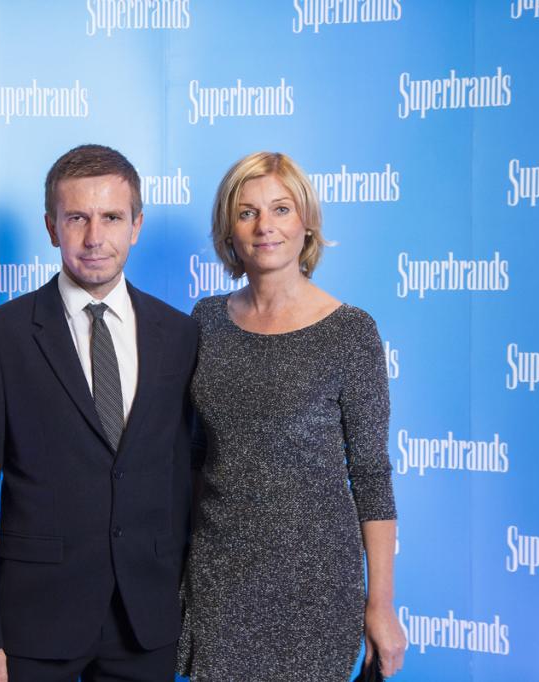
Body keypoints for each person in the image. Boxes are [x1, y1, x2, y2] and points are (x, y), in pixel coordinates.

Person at [0, 144, 198, 682]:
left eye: (112, 217)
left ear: (136, 225)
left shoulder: (180, 335)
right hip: (35, 620)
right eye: (77, 218)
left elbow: (183, 476)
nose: (94, 237)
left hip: (146, 618)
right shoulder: (1, 336)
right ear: (51, 227)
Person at [177, 152, 407, 681]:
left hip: (316, 589)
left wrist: (380, 605)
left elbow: (371, 476)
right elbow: (195, 457)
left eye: (281, 209)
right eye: (247, 212)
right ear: (229, 230)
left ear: (306, 223)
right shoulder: (205, 320)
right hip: (219, 581)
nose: (265, 226)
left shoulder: (350, 332)